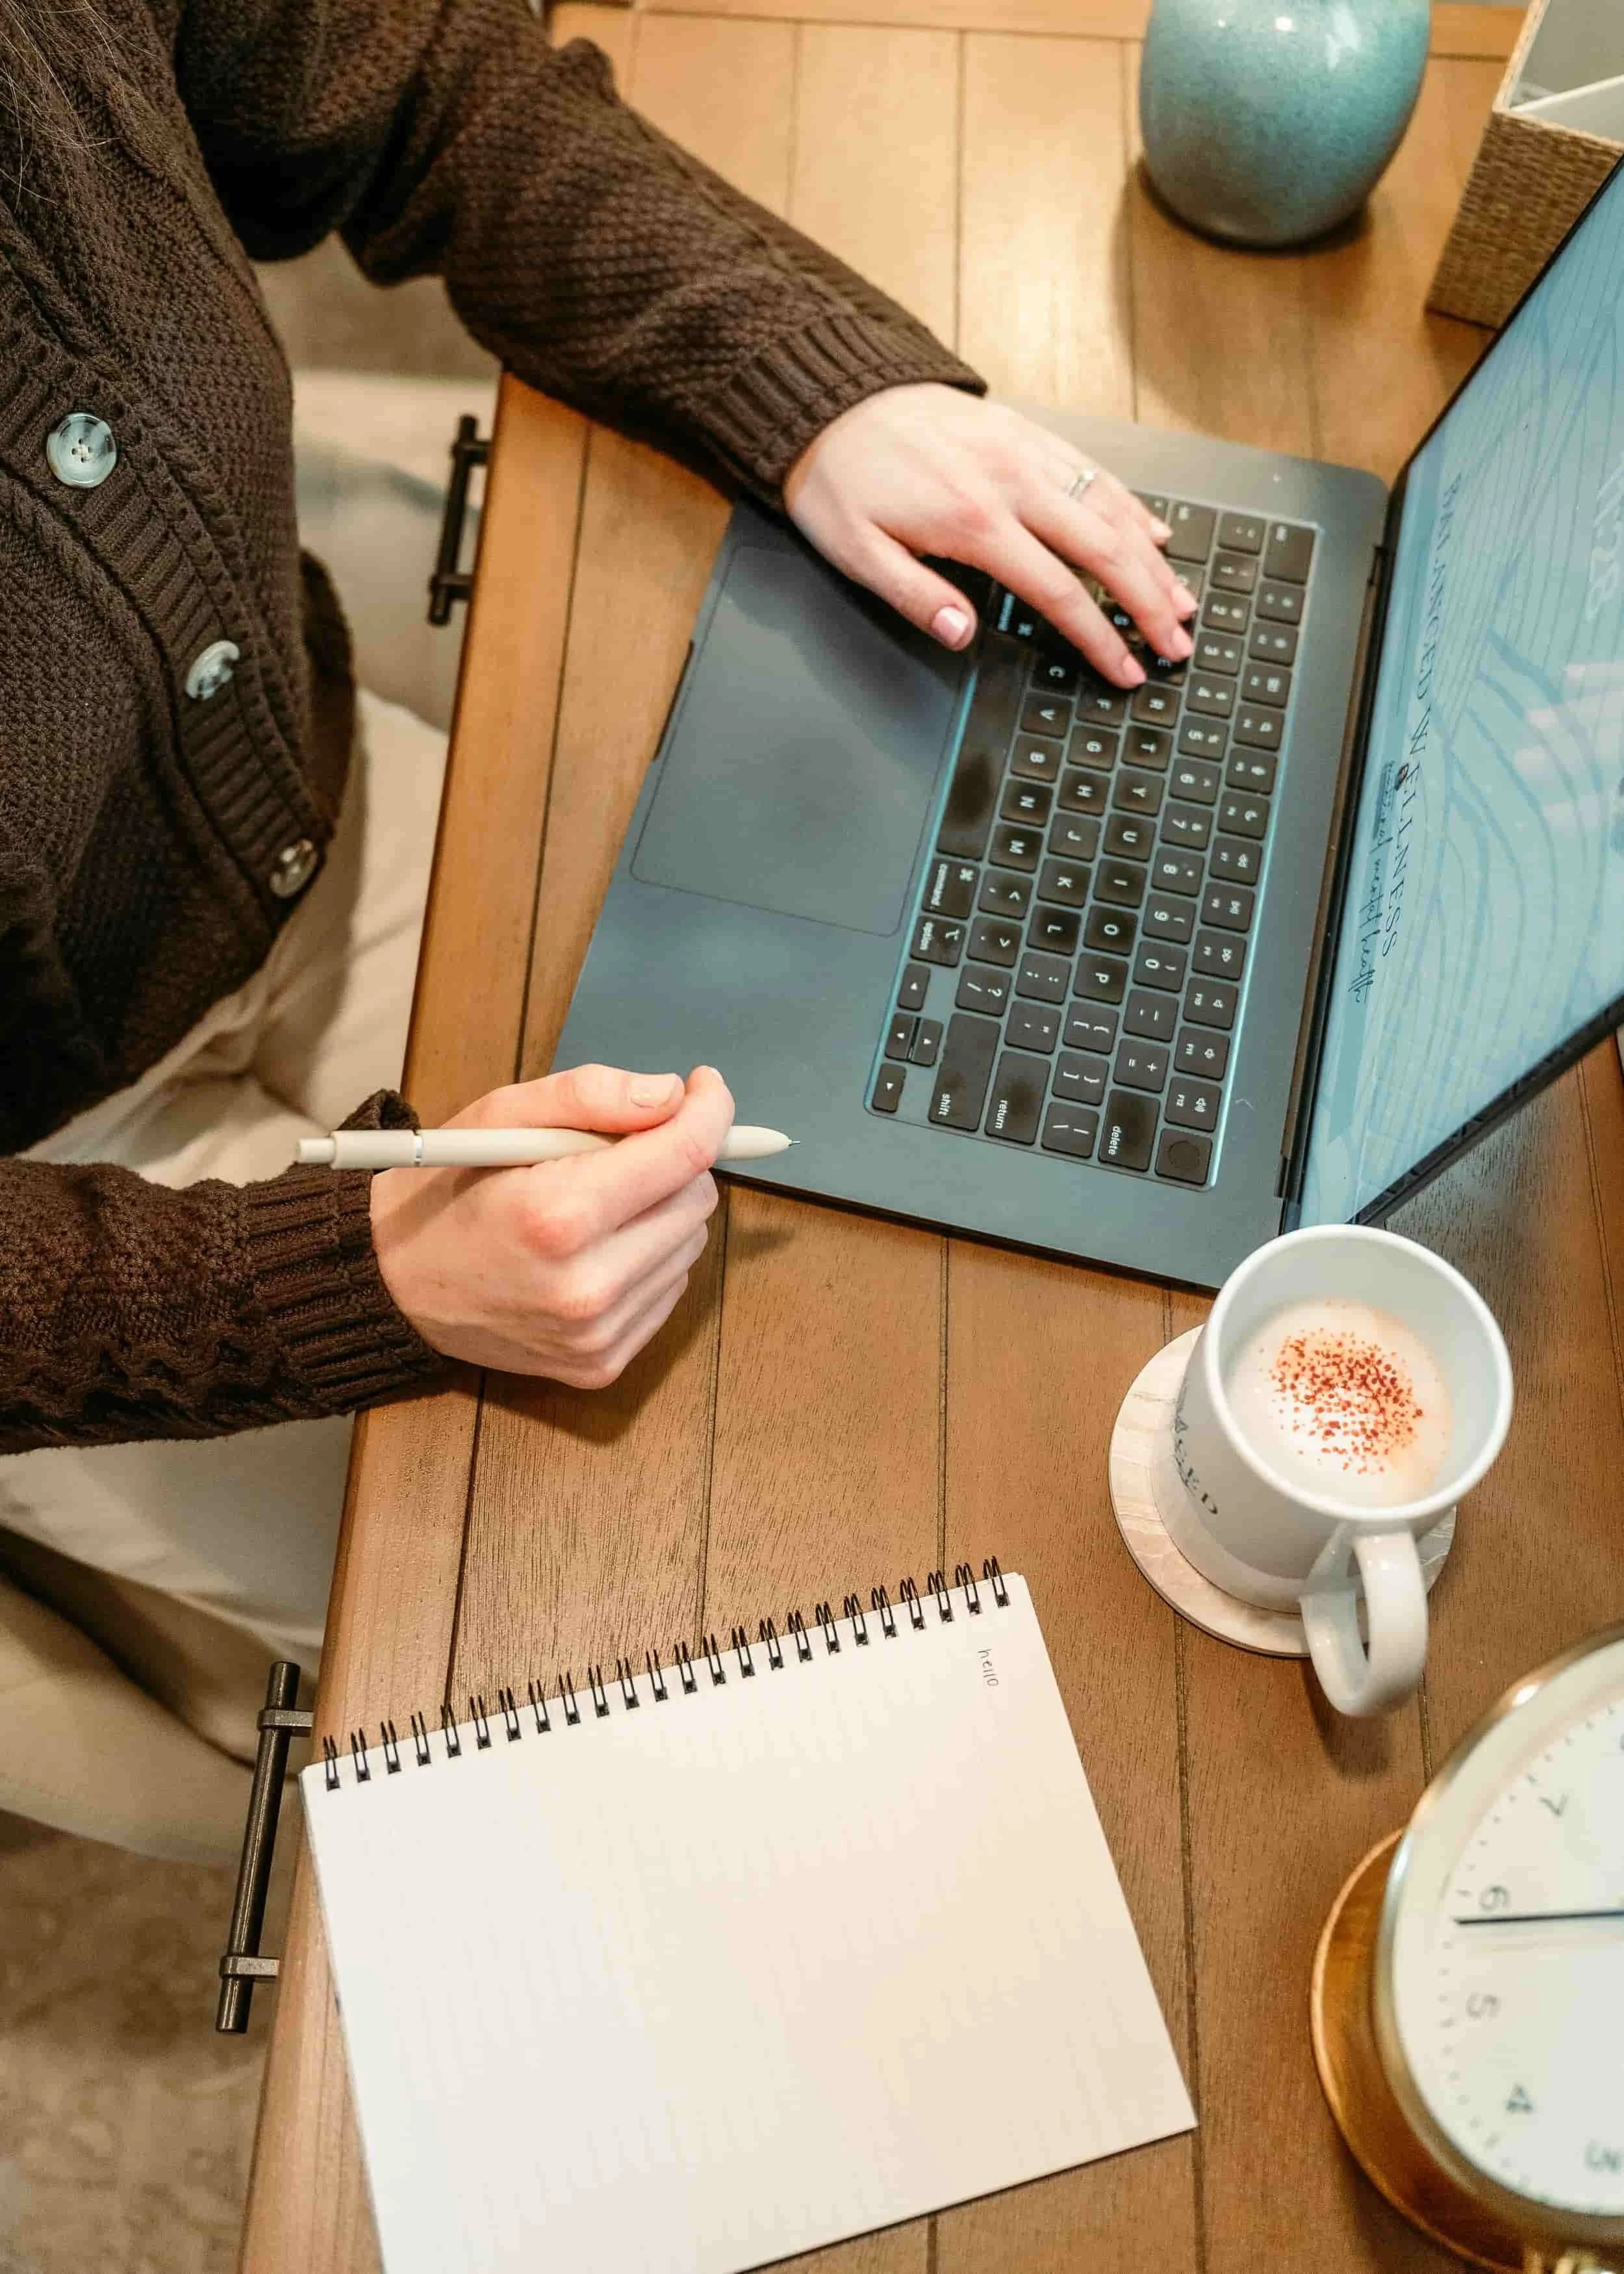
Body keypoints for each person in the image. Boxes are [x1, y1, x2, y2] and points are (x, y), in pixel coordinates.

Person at [0, 0, 1197, 1680]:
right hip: (57, 1196)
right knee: (646, 1638)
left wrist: (799, 381)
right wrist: (335, 1281)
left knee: (878, 1332)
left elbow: (409, 81)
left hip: (305, 815)